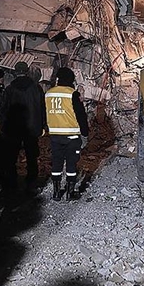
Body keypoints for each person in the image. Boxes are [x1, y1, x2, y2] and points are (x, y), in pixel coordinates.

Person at [45, 67, 90, 201]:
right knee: (71, 163)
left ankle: (56, 192)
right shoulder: (72, 94)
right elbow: (81, 115)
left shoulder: (48, 94)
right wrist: (85, 134)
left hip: (54, 135)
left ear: (58, 79)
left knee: (57, 163)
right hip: (71, 135)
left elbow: (44, 113)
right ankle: (70, 193)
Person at [1, 61, 47, 193]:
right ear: (27, 71)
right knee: (32, 156)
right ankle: (31, 181)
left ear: (15, 72)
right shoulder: (36, 88)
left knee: (11, 156)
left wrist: (3, 127)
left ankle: (12, 182)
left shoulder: (10, 89)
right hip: (31, 128)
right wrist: (43, 125)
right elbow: (42, 108)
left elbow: (4, 110)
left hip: (13, 128)